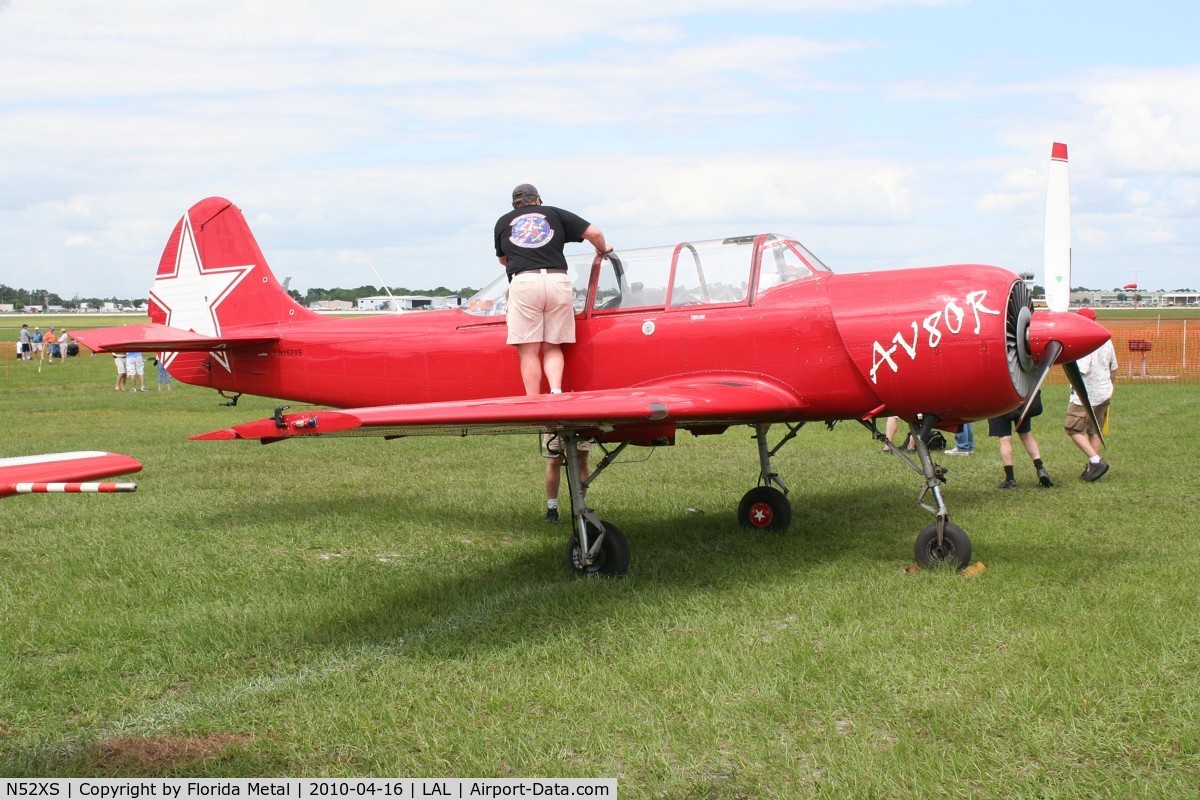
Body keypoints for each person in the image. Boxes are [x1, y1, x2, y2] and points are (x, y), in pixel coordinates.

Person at [494, 183, 609, 396]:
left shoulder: (503, 221)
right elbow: (594, 232)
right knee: (552, 346)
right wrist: (603, 249)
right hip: (558, 279)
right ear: (538, 199)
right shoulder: (554, 213)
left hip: (525, 281)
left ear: (514, 204)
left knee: (529, 350)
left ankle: (533, 401)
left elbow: (504, 260)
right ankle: (556, 391)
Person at [1064, 308, 1117, 482]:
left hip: (1086, 395)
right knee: (1094, 430)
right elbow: (1113, 368)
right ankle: (1092, 467)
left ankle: (1096, 461)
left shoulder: (1083, 340)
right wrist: (1110, 387)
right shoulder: (1106, 339)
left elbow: (1081, 369)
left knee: (1072, 428)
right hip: (1104, 392)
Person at [988, 391, 1053, 489]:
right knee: (1026, 435)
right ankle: (1040, 468)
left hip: (998, 399)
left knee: (1005, 439)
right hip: (1019, 398)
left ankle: (1010, 479)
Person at [542, 433, 592, 523]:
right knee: (554, 460)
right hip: (556, 421)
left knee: (582, 461)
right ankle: (552, 508)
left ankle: (579, 506)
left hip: (582, 422)